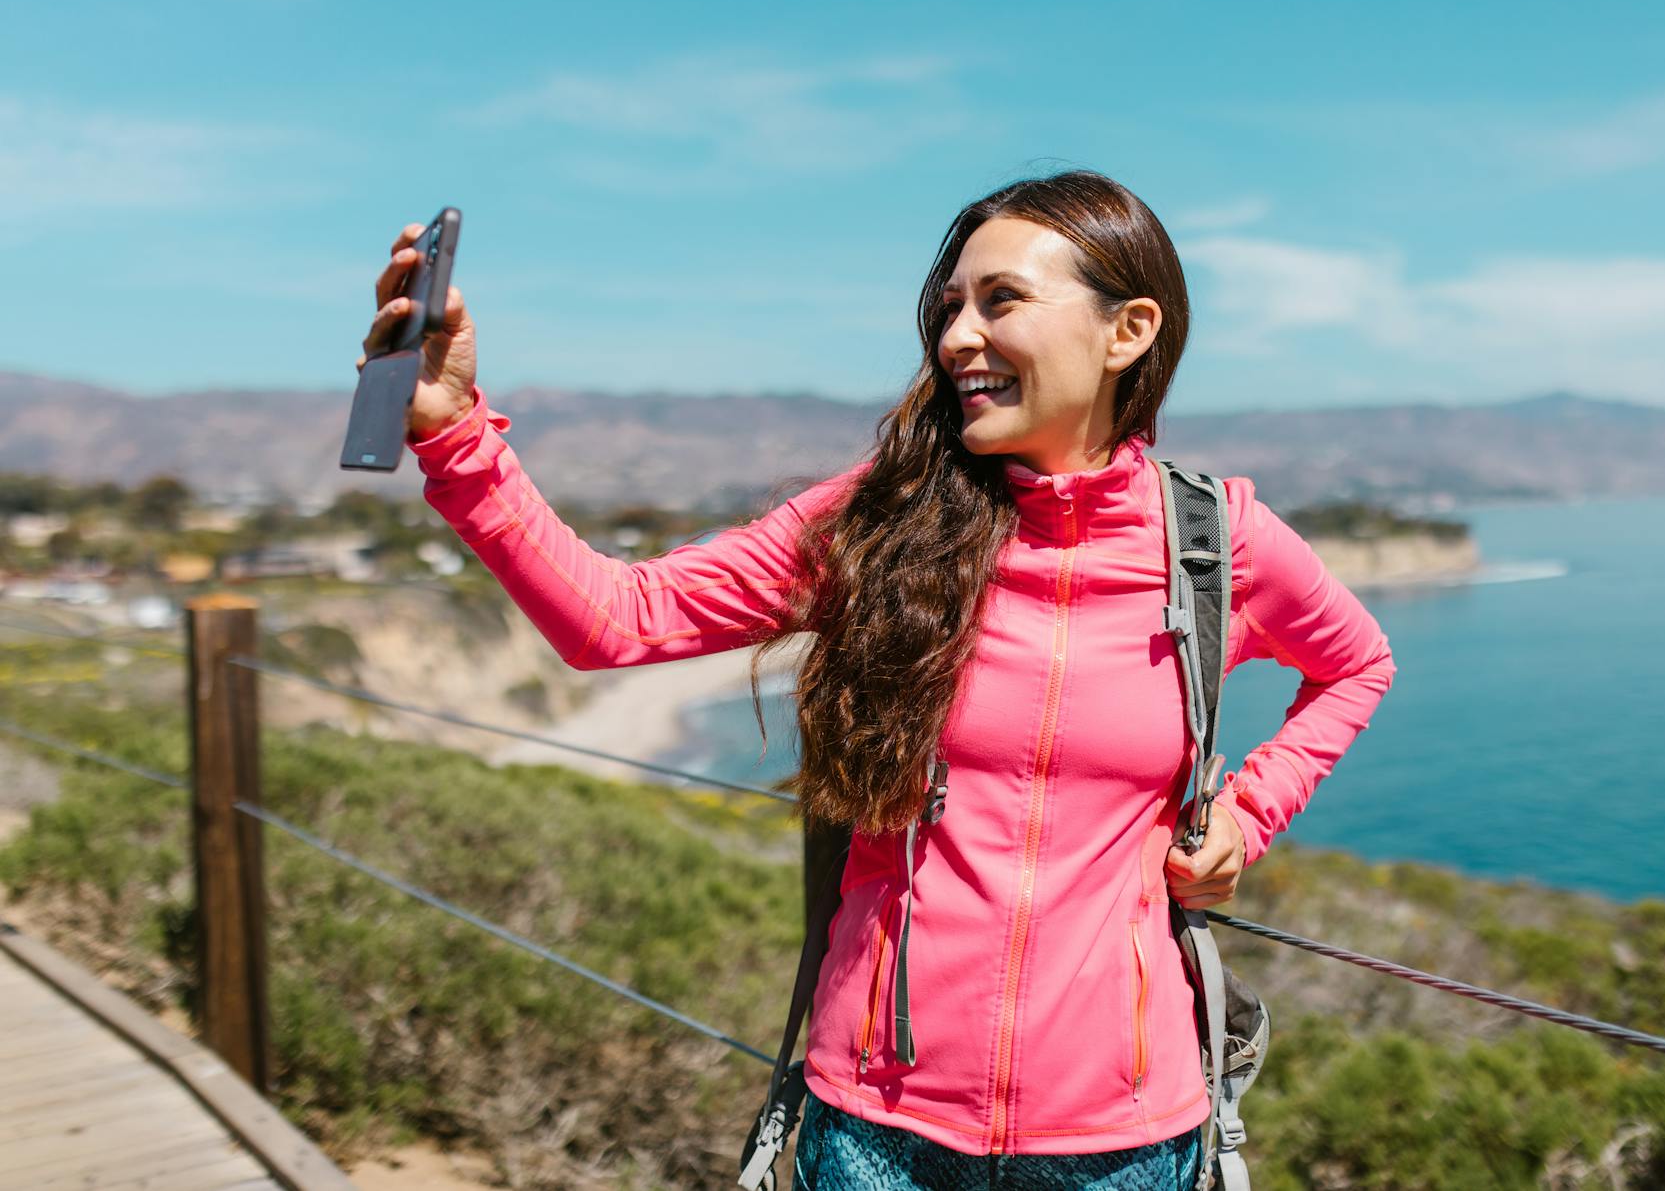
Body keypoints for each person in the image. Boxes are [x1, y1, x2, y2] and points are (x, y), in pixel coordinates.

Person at [360, 169, 1397, 1189]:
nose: (956, 338)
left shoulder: (1212, 545)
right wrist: (455, 434)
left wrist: (1246, 816)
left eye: (1001, 301)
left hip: (1123, 1140)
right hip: (874, 1132)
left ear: (1126, 331)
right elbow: (616, 619)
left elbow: (1355, 663)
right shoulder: (879, 519)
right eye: (950, 306)